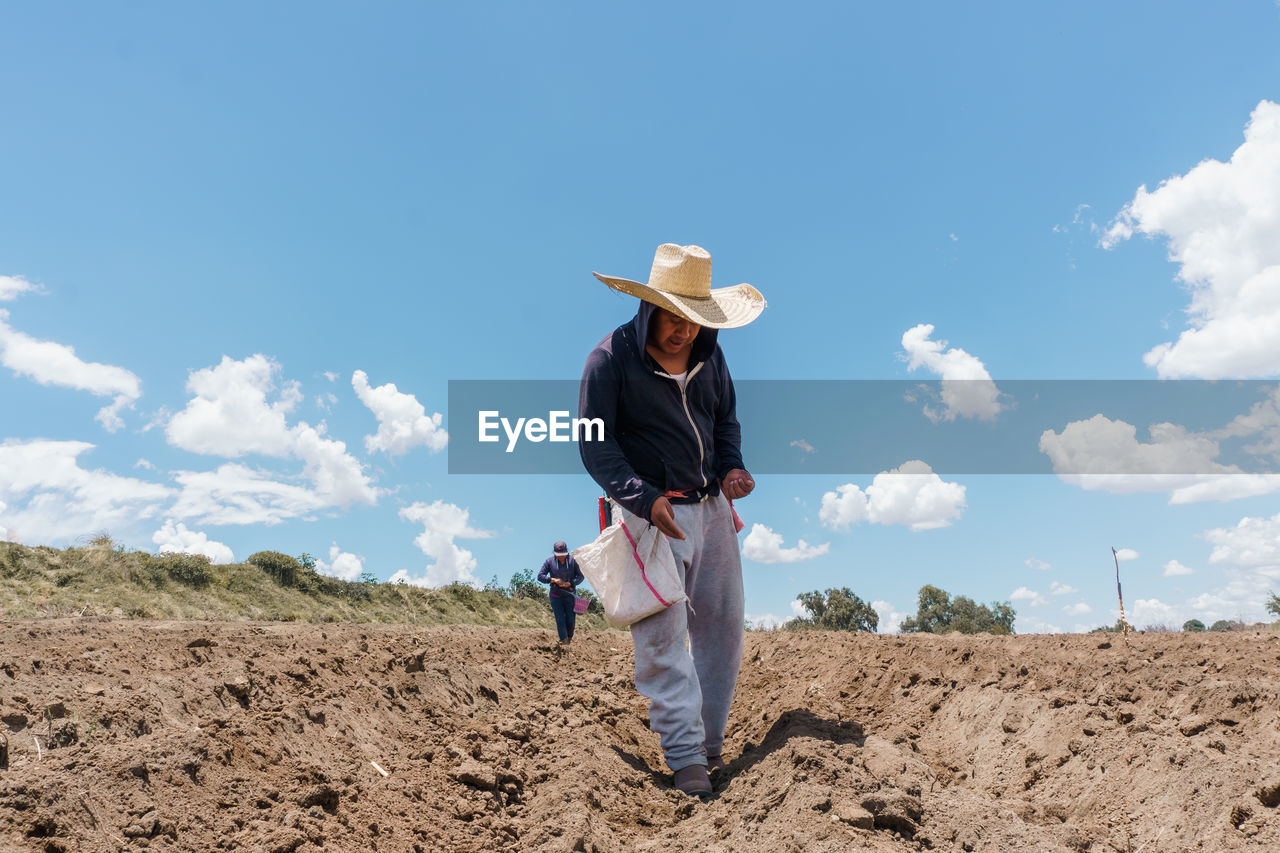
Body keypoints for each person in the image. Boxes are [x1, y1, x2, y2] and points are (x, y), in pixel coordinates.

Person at [578, 243, 764, 799]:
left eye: (694, 319)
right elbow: (594, 444)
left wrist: (731, 467)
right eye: (673, 316)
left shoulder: (712, 353)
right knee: (661, 638)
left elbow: (724, 419)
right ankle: (685, 761)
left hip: (710, 511)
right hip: (647, 517)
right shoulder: (609, 360)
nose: (684, 330)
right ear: (649, 308)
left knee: (721, 630)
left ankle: (708, 746)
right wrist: (642, 497)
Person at [538, 540, 584, 645]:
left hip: (570, 596)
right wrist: (553, 580)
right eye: (559, 555)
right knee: (560, 620)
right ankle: (564, 643)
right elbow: (540, 576)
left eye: (563, 555)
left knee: (570, 621)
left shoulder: (573, 561)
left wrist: (571, 583)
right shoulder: (549, 562)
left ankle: (569, 639)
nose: (561, 557)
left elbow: (581, 576)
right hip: (555, 596)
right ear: (554, 553)